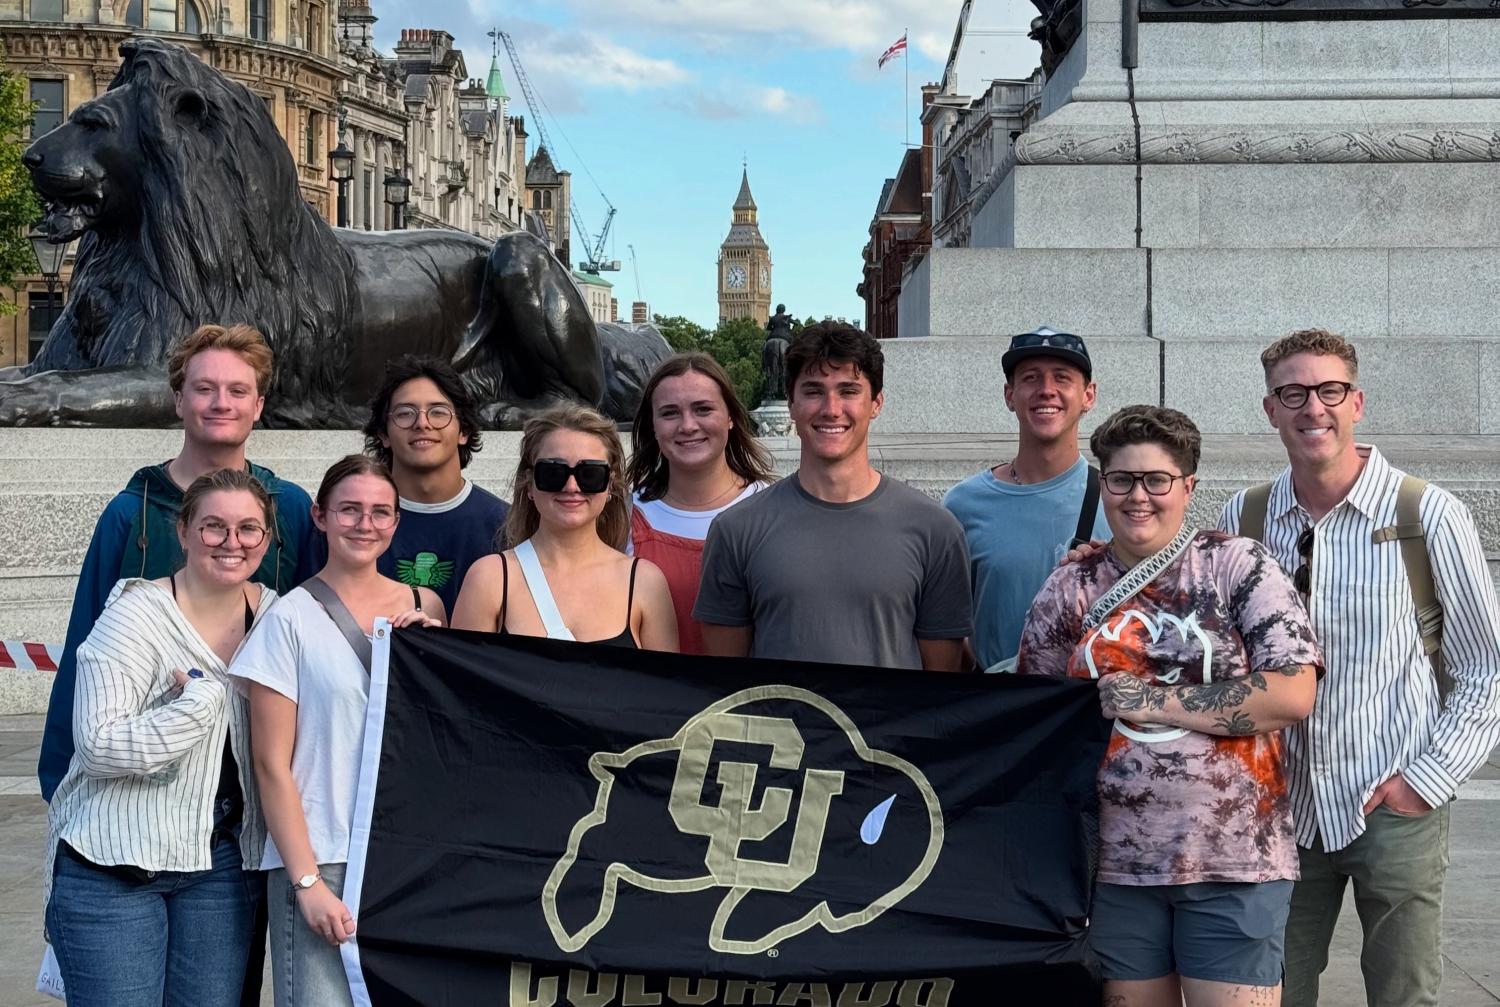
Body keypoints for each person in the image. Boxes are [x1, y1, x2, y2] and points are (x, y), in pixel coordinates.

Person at [1217, 329, 1500, 1007]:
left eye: (1329, 390)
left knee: (1404, 995)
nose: (1313, 407)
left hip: (1394, 801)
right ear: (1270, 409)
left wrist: (1425, 779)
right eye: (1294, 392)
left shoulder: (1426, 514)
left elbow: (1486, 670)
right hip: (1281, 809)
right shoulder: (1247, 515)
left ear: (1357, 401)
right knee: (1271, 991)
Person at [1017, 404, 1322, 1007]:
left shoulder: (1238, 566)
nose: (1139, 497)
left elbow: (1291, 692)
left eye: (1157, 480)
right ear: (1102, 484)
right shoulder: (1071, 585)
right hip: (1114, 866)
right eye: (1121, 480)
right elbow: (1032, 716)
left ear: (1188, 487)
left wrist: (1155, 701)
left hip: (1233, 858)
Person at [39, 323, 317, 801]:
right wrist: (59, 772)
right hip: (145, 774)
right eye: (204, 388)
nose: (220, 403)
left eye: (237, 390)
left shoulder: (287, 508)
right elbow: (85, 638)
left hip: (253, 775)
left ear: (258, 406)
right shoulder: (131, 511)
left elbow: (314, 637)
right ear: (178, 400)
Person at [42, 469, 281, 1007]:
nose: (231, 542)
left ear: (266, 540)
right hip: (113, 866)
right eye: (214, 526)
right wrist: (200, 702)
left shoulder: (274, 615)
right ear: (184, 531)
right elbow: (100, 746)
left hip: (219, 865)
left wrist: (413, 630)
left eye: (248, 529)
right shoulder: (135, 614)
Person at [231, 456, 442, 1007]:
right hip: (323, 852)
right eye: (349, 510)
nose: (364, 524)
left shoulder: (426, 607)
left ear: (397, 523)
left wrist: (436, 651)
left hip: (407, 850)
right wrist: (306, 883)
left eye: (379, 512)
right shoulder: (289, 618)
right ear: (321, 517)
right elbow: (270, 764)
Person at [695, 321, 973, 670]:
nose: (831, 408)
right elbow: (728, 685)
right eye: (813, 391)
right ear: (792, 404)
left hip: (889, 725)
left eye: (848, 390)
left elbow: (941, 688)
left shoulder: (936, 531)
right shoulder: (736, 530)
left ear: (876, 403)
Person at [943, 325, 1109, 671]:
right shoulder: (963, 505)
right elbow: (945, 629)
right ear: (1009, 395)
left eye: (1062, 378)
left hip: (1089, 711)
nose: (1046, 391)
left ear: (1088, 395)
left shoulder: (1119, 499)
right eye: (1031, 379)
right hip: (996, 713)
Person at [452, 404, 677, 651]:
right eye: (553, 472)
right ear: (529, 484)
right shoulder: (489, 579)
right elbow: (462, 685)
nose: (571, 486)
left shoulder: (646, 582)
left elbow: (663, 688)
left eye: (590, 473)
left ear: (611, 485)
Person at [626, 353, 776, 654]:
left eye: (703, 409)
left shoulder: (776, 510)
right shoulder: (621, 517)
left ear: (731, 417)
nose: (688, 425)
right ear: (652, 426)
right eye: (669, 413)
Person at [362, 354, 509, 616]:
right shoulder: (351, 523)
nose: (422, 423)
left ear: (463, 431)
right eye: (405, 413)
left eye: (438, 412)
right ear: (383, 433)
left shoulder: (505, 525)